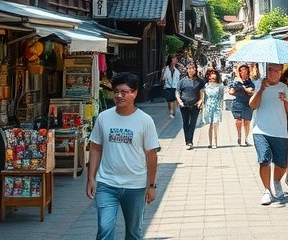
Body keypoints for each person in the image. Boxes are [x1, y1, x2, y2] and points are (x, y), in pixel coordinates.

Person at [87, 73, 160, 240]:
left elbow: (151, 155)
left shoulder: (145, 121)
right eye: (116, 92)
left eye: (124, 92)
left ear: (135, 93)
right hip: (107, 183)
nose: (119, 96)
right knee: (104, 227)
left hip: (135, 185)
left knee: (134, 232)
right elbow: (96, 148)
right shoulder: (104, 117)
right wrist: (91, 178)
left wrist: (151, 185)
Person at [248, 62, 288, 205]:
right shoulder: (259, 85)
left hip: (280, 132)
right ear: (266, 70)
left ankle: (276, 181)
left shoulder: (284, 88)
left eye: (277, 70)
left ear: (281, 72)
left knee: (282, 164)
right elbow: (252, 105)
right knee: (264, 159)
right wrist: (261, 89)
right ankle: (267, 191)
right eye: (270, 70)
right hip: (260, 130)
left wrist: (285, 100)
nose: (273, 73)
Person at [175, 62, 205, 150]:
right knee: (185, 123)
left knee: (192, 123)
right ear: (187, 70)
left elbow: (202, 92)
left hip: (195, 105)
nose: (192, 70)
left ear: (196, 70)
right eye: (190, 68)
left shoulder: (200, 81)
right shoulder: (182, 81)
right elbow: (177, 92)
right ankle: (187, 141)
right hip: (184, 105)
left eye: (193, 68)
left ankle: (190, 141)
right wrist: (179, 101)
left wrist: (201, 101)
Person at [229, 64, 256, 146]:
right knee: (238, 121)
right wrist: (242, 89)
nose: (243, 71)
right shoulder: (235, 82)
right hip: (238, 103)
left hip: (247, 104)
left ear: (248, 71)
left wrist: (241, 88)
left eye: (244, 69)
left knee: (247, 122)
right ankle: (239, 137)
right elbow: (231, 91)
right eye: (241, 70)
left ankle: (246, 139)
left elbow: (251, 91)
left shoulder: (250, 82)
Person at [200, 68, 225, 148]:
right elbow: (204, 97)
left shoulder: (220, 86)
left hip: (216, 107)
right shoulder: (206, 86)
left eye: (213, 76)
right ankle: (210, 143)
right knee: (210, 125)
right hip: (208, 107)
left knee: (216, 124)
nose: (211, 78)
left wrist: (221, 106)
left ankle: (215, 142)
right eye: (210, 76)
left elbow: (221, 97)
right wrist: (202, 105)